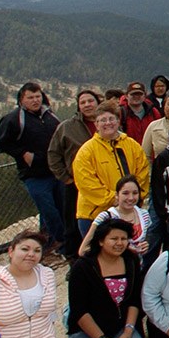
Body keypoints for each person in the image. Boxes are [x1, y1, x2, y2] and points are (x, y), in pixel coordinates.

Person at [67, 218, 152, 338]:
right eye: (114, 239)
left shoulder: (131, 260)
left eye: (123, 239)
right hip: (88, 330)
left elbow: (134, 300)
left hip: (120, 326)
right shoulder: (83, 267)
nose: (120, 243)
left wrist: (128, 332)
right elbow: (79, 311)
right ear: (100, 241)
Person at [0, 82, 65, 256]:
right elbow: (2, 143)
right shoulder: (14, 119)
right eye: (30, 97)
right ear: (21, 99)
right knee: (49, 210)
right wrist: (23, 154)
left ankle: (46, 244)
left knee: (59, 209)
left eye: (37, 96)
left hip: (56, 172)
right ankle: (64, 243)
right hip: (33, 175)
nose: (35, 100)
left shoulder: (50, 116)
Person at [74, 100, 150, 238]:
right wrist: (115, 200)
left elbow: (143, 174)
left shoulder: (132, 146)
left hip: (129, 213)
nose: (108, 123)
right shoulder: (86, 151)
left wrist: (131, 198)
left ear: (118, 121)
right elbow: (86, 183)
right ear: (96, 124)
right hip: (94, 216)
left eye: (111, 119)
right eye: (102, 120)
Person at [48, 88, 101, 258]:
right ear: (78, 106)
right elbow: (53, 154)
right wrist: (65, 178)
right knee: (73, 223)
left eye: (90, 101)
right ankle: (74, 259)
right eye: (83, 102)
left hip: (103, 181)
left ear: (97, 102)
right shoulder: (67, 127)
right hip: (76, 184)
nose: (87, 105)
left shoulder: (107, 123)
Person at [78, 175, 153, 261]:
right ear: (117, 195)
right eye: (125, 193)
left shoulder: (144, 215)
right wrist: (122, 248)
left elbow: (145, 240)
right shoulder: (105, 217)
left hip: (136, 268)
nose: (131, 198)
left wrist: (144, 246)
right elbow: (83, 250)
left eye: (135, 193)